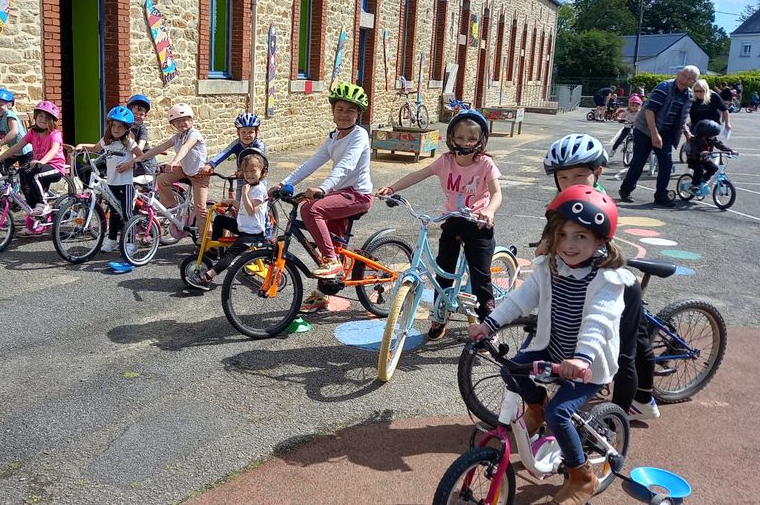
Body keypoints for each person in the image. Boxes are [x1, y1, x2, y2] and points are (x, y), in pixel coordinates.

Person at [468, 186, 634, 505]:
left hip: (589, 366)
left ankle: (581, 474)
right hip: (552, 349)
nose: (569, 245)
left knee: (561, 414)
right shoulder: (549, 267)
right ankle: (536, 408)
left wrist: (583, 358)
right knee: (511, 370)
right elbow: (520, 299)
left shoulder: (608, 280)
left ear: (601, 241)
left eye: (581, 237)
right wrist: (488, 325)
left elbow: (598, 320)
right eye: (563, 235)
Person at [541, 134, 658, 419]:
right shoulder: (560, 201)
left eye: (581, 175)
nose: (572, 183)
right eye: (564, 177)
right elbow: (550, 237)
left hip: (611, 282)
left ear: (598, 172)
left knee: (626, 351)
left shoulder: (599, 202)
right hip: (582, 279)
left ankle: (627, 412)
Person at [377, 110, 501, 337]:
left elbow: (497, 193)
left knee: (480, 276)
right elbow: (418, 174)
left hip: (478, 223)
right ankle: (439, 315)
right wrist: (392, 188)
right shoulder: (446, 161)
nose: (465, 143)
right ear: (452, 137)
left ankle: (488, 326)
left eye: (472, 139)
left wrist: (489, 210)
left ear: (481, 140)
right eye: (460, 137)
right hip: (452, 220)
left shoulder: (485, 164)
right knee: (443, 270)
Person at [271, 82, 373, 314]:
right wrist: (285, 183)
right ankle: (322, 294)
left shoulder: (360, 135)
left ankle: (332, 261)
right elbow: (312, 162)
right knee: (331, 242)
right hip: (341, 194)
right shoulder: (334, 136)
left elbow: (346, 166)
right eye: (340, 109)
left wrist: (324, 188)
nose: (344, 114)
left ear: (358, 114)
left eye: (350, 110)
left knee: (311, 209)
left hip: (358, 195)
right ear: (333, 111)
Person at [119, 103, 209, 234]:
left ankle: (207, 238)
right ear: (173, 124)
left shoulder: (194, 134)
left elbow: (186, 147)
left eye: (184, 119)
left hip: (199, 174)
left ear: (191, 119)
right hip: (185, 170)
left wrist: (174, 161)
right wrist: (140, 158)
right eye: (177, 121)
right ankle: (172, 207)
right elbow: (160, 148)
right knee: (162, 180)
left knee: (200, 208)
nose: (182, 123)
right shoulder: (178, 137)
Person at [188, 148, 269, 291]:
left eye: (253, 171)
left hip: (253, 232)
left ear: (262, 172)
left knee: (230, 254)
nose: (249, 175)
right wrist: (232, 202)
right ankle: (214, 250)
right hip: (243, 226)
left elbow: (251, 210)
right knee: (219, 220)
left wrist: (244, 193)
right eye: (247, 172)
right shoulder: (249, 186)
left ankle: (208, 277)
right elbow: (244, 207)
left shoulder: (259, 190)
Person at [618, 65, 698, 207]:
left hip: (666, 132)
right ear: (679, 73)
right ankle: (626, 190)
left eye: (691, 79)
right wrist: (654, 134)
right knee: (639, 162)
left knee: (666, 164)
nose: (686, 80)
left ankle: (661, 196)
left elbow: (681, 118)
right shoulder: (664, 87)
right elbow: (649, 111)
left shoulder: (689, 95)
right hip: (644, 130)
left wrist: (686, 133)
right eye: (684, 76)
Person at [82, 106, 145, 252]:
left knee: (127, 213)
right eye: (113, 126)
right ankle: (111, 241)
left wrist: (130, 164)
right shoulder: (107, 141)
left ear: (126, 129)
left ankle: (130, 243)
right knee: (113, 213)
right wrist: (81, 146)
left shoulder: (129, 142)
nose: (116, 129)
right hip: (111, 183)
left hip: (125, 184)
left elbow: (141, 156)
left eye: (120, 126)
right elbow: (96, 148)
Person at [0, 100, 66, 217]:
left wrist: (41, 162)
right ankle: (35, 219)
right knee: (23, 175)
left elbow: (54, 150)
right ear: (36, 116)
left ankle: (43, 204)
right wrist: (0, 158)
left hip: (55, 167)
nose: (43, 119)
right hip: (39, 167)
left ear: (52, 120)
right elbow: (17, 146)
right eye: (40, 116)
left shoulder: (54, 134)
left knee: (33, 175)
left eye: (47, 118)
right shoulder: (32, 132)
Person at [205, 112, 268, 191]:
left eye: (250, 132)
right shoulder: (236, 144)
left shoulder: (259, 145)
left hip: (258, 179)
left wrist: (243, 171)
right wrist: (211, 165)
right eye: (243, 132)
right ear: (238, 133)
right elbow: (224, 153)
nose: (247, 135)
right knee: (239, 202)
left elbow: (261, 161)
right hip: (242, 179)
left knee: (257, 201)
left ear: (256, 133)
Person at [685, 119, 737, 196]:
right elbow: (693, 151)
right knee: (699, 169)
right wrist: (700, 153)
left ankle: (703, 180)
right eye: (712, 135)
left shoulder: (711, 139)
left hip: (704, 159)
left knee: (714, 168)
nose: (713, 137)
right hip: (694, 159)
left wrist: (730, 150)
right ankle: (695, 185)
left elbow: (719, 144)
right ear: (704, 134)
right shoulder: (694, 140)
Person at [126, 94, 155, 176]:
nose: (138, 116)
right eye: (135, 113)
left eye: (141, 114)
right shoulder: (125, 127)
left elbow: (140, 146)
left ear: (145, 115)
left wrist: (132, 159)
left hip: (145, 159)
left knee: (147, 183)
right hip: (132, 158)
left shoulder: (142, 129)